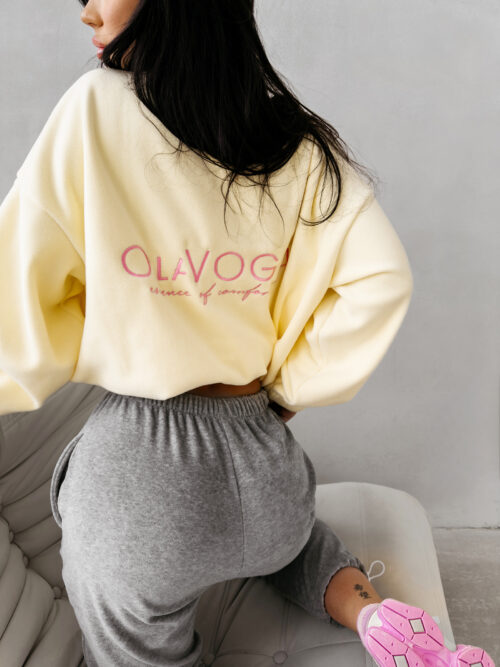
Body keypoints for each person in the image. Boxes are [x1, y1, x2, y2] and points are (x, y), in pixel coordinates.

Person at [0, 1, 494, 666]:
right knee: (290, 542)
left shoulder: (95, 107)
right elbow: (381, 278)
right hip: (263, 465)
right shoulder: (289, 135)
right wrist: (288, 391)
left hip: (139, 485)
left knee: (129, 625)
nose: (86, 10)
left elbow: (18, 285)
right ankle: (370, 611)